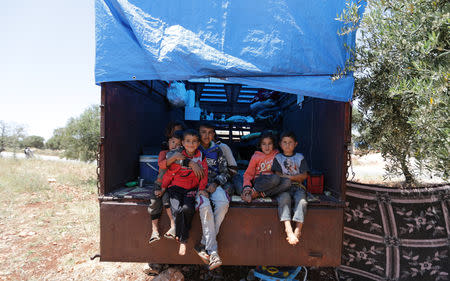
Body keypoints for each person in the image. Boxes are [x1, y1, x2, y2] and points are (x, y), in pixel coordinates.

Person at [160, 129, 208, 256]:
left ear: (198, 143)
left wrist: (202, 188)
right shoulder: (178, 155)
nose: (191, 144)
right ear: (182, 142)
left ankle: (182, 240)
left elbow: (204, 175)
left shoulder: (201, 157)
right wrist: (164, 186)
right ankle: (181, 238)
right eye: (187, 141)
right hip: (175, 187)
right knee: (176, 209)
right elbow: (170, 172)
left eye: (194, 141)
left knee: (187, 209)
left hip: (191, 189)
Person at [194, 123, 232, 270]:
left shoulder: (217, 150)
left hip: (214, 184)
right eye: (203, 132)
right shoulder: (194, 148)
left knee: (223, 203)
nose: (206, 135)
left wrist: (215, 184)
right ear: (198, 133)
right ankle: (213, 252)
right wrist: (199, 187)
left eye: (210, 132)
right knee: (206, 208)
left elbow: (225, 172)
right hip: (197, 186)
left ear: (214, 134)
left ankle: (204, 242)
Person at [272, 131, 309, 245]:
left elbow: (304, 176)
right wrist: (294, 177)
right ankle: (288, 229)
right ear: (280, 144)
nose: (287, 145)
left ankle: (298, 230)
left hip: (298, 186)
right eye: (285, 142)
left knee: (302, 202)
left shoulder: (299, 157)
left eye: (290, 142)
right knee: (284, 200)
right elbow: (277, 175)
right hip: (283, 187)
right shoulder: (278, 157)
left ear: (295, 144)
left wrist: (288, 177)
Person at [147, 130, 183, 244]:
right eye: (173, 142)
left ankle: (173, 225)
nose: (175, 146)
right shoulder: (163, 153)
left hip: (171, 184)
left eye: (178, 144)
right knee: (154, 203)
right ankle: (154, 230)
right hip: (159, 183)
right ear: (168, 142)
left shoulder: (181, 155)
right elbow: (162, 164)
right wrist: (174, 157)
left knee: (166, 200)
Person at [240, 131, 291, 203]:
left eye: (269, 144)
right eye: (264, 144)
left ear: (273, 144)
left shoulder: (277, 154)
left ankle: (259, 194)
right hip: (260, 181)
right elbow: (248, 174)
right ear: (260, 145)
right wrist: (247, 187)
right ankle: (255, 191)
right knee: (275, 179)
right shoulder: (256, 157)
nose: (267, 147)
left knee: (287, 182)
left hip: (272, 181)